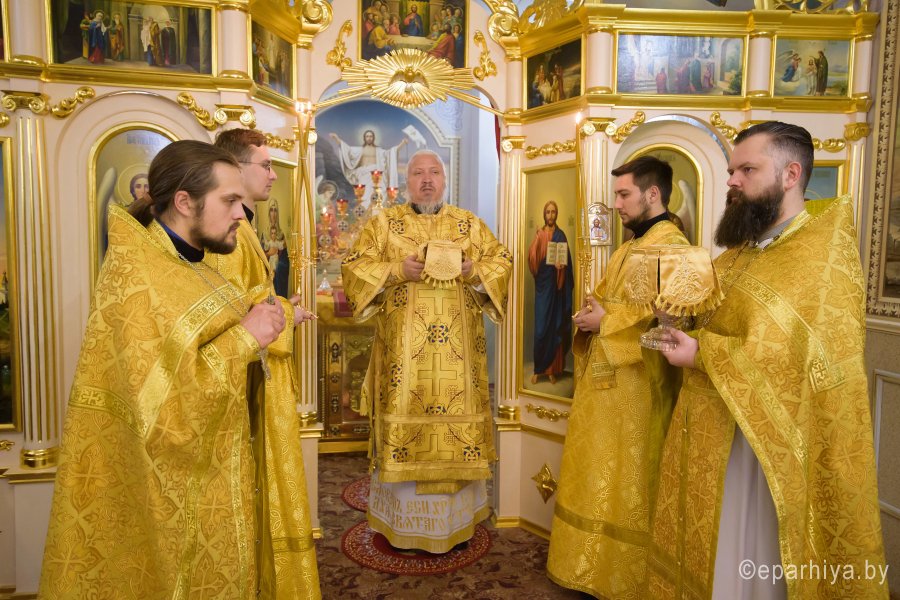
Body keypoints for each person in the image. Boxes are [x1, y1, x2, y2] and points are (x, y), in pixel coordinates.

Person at [39, 141, 290, 597]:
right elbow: (160, 411)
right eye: (229, 201)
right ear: (184, 202)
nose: (241, 213)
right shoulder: (139, 279)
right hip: (168, 494)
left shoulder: (191, 263)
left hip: (217, 475)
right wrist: (245, 338)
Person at [648, 122, 888, 598]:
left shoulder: (822, 258)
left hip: (767, 454)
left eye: (747, 170)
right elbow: (720, 322)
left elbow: (801, 360)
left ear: (790, 174)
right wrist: (676, 318)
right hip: (712, 435)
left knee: (753, 561)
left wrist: (703, 352)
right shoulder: (737, 255)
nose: (732, 180)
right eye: (731, 170)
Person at [341, 150, 512, 553]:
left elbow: (502, 260)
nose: (427, 179)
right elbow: (353, 267)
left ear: (445, 179)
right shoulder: (384, 224)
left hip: (458, 364)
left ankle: (455, 526)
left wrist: (474, 271)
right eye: (418, 172)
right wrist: (396, 271)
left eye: (434, 172)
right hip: (405, 365)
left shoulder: (468, 224)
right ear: (407, 180)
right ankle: (402, 526)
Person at [546, 156, 689, 599]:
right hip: (607, 385)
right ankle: (590, 567)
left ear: (653, 194)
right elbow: (614, 298)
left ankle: (622, 576)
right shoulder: (631, 246)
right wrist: (592, 312)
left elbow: (675, 318)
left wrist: (605, 321)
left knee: (628, 478)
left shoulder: (674, 247)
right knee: (599, 473)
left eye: (624, 194)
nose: (617, 204)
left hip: (640, 390)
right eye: (616, 195)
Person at [211, 128, 320, 598]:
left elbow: (253, 300)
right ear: (236, 168)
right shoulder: (231, 236)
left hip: (261, 375)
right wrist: (284, 314)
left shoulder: (245, 229)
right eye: (267, 165)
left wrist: (284, 309)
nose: (274, 175)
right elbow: (234, 314)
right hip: (249, 383)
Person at [527, 200, 573, 385]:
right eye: (548, 212)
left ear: (557, 214)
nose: (551, 215)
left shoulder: (561, 235)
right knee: (541, 328)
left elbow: (567, 264)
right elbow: (532, 261)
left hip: (557, 288)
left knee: (554, 326)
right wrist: (538, 240)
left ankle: (552, 370)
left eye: (554, 212)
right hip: (543, 286)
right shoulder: (540, 234)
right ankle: (539, 369)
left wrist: (562, 267)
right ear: (544, 214)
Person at [330, 129, 407, 201]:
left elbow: (391, 152)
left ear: (373, 138)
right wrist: (336, 138)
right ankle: (366, 210)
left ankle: (378, 210)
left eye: (371, 136)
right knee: (365, 195)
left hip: (377, 176)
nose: (369, 138)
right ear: (364, 138)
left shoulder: (379, 151)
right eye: (367, 136)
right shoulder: (360, 150)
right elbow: (346, 149)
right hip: (364, 175)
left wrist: (402, 144)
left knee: (380, 194)